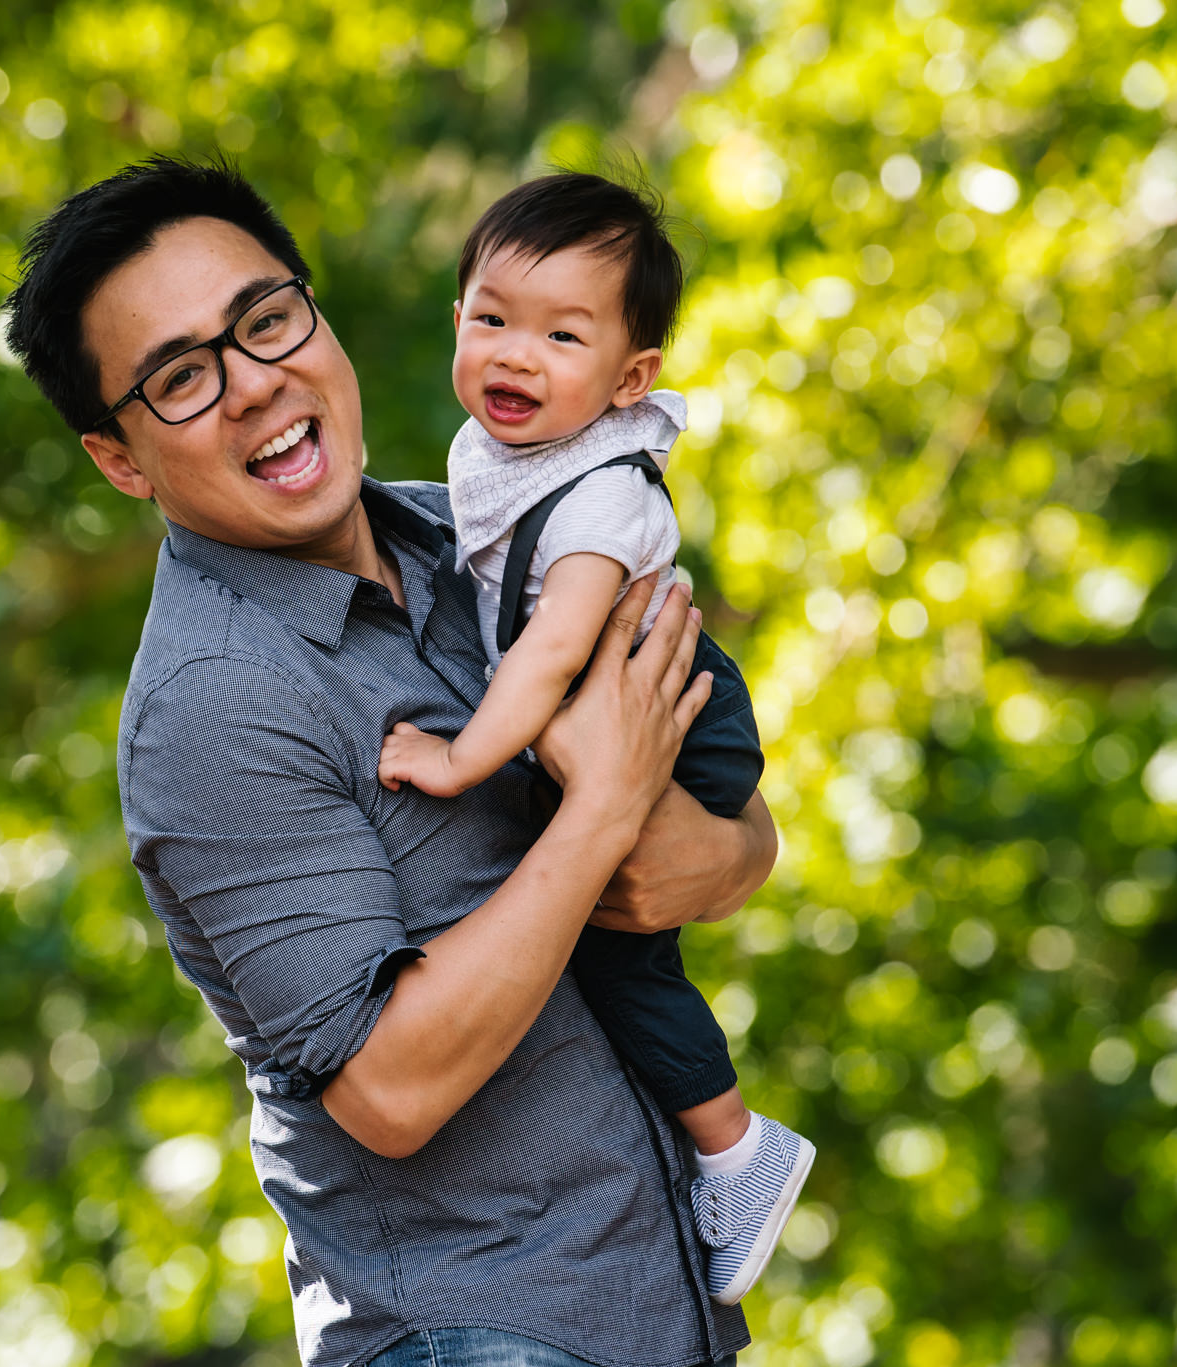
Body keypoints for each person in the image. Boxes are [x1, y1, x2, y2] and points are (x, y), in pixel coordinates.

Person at [4, 157, 780, 1367]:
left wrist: (711, 850)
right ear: (119, 458)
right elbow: (391, 1090)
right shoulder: (213, 704)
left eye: (264, 321)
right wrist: (602, 814)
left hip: (650, 1304)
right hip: (476, 1334)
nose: (253, 385)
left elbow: (732, 837)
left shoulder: (476, 534)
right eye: (180, 378)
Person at [375, 173, 814, 1305]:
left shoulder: (602, 500)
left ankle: (735, 1147)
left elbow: (553, 642)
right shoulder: (488, 459)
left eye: (560, 335)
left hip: (673, 709)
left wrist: (459, 756)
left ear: (628, 380)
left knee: (617, 950)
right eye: (489, 318)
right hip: (594, 706)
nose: (514, 356)